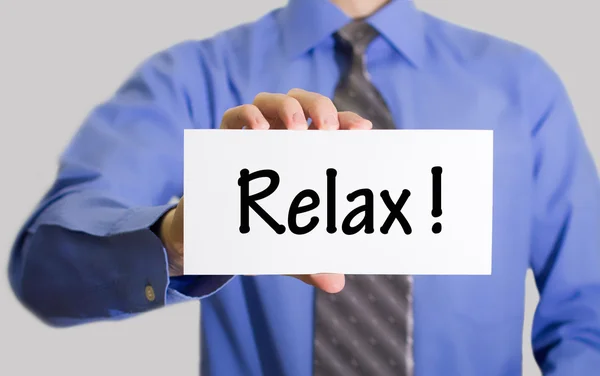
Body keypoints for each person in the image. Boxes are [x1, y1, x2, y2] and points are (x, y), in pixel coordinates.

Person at [8, 0, 600, 375]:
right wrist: (182, 237)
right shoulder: (189, 78)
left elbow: (588, 312)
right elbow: (43, 272)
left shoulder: (523, 85)